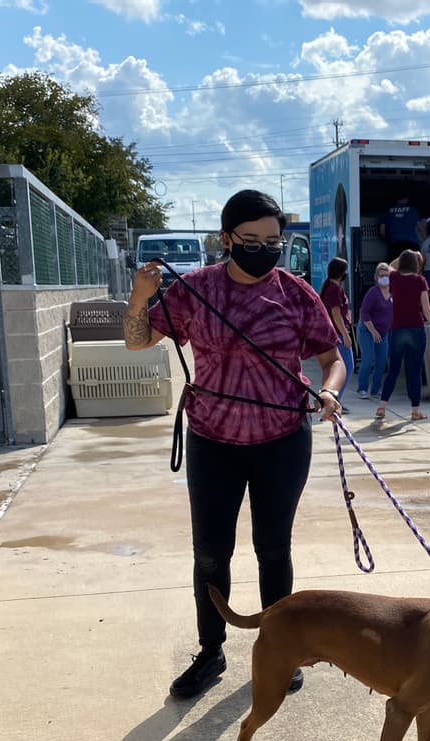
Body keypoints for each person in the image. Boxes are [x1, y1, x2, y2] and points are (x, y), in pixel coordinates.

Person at [124, 189, 346, 699]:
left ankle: (281, 650)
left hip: (283, 441)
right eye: (251, 240)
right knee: (210, 555)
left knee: (273, 549)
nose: (265, 249)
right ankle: (211, 651)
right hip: (212, 441)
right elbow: (138, 341)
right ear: (225, 239)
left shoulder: (295, 294)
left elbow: (332, 359)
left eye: (275, 240)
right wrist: (139, 296)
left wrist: (329, 392)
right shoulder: (195, 289)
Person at [376, 250, 430, 421]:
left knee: (393, 370)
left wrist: (405, 255)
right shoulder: (420, 281)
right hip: (416, 329)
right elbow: (427, 310)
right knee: (414, 372)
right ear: (416, 264)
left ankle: (382, 406)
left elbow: (389, 266)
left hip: (397, 329)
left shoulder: (394, 278)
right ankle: (415, 411)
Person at [319, 256, 354, 412]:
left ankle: (331, 398)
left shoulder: (329, 287)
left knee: (336, 367)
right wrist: (345, 335)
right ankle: (335, 399)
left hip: (332, 333)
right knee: (346, 367)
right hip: (337, 334)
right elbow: (336, 313)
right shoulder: (335, 289)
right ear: (341, 273)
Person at [356, 261, 393, 398]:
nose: (384, 277)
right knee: (368, 358)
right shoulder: (373, 293)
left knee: (382, 361)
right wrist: (372, 331)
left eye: (387, 275)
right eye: (382, 275)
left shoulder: (392, 293)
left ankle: (376, 388)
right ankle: (362, 388)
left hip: (383, 333)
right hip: (367, 330)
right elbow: (364, 313)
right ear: (376, 277)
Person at [379, 194, 422, 260]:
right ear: (406, 199)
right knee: (413, 267)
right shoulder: (413, 210)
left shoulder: (387, 211)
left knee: (394, 268)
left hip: (395, 245)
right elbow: (420, 228)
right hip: (412, 245)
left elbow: (382, 232)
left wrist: (389, 241)